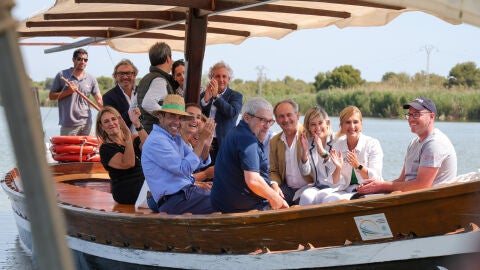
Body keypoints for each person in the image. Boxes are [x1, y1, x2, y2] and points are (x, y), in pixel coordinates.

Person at [357, 96, 457, 194]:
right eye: (409, 115)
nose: (411, 119)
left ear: (431, 117)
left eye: (416, 114)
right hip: (412, 198)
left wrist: (381, 186)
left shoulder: (435, 143)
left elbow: (422, 185)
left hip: (431, 201)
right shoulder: (413, 143)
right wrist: (374, 186)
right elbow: (402, 179)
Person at [211, 97, 289, 213]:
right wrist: (274, 198)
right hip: (242, 210)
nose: (267, 126)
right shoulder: (247, 139)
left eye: (270, 121)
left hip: (224, 205)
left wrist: (272, 188)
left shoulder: (236, 132)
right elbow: (253, 180)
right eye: (263, 120)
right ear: (247, 117)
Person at [141, 94, 215, 214]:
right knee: (226, 200)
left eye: (180, 118)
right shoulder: (157, 140)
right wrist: (201, 140)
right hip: (175, 200)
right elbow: (184, 168)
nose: (177, 121)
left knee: (229, 196)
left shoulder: (175, 138)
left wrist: (206, 143)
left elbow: (199, 162)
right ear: (160, 117)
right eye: (172, 116)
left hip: (183, 196)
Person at [320, 106, 384, 203]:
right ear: (341, 125)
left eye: (355, 122)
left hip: (369, 190)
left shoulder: (373, 144)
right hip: (346, 191)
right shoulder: (337, 145)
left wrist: (357, 166)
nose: (352, 126)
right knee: (327, 200)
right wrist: (338, 168)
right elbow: (334, 183)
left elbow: (375, 177)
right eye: (348, 122)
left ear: (361, 124)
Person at [96, 106, 147, 204]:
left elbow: (150, 148)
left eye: (113, 119)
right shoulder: (106, 149)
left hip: (143, 183)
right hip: (126, 190)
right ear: (102, 126)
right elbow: (129, 163)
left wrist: (137, 124)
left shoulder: (133, 138)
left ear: (119, 121)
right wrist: (127, 136)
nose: (111, 123)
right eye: (106, 122)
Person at [269, 99, 313, 205]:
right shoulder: (274, 141)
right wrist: (274, 187)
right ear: (277, 120)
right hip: (287, 189)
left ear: (297, 116)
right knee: (267, 200)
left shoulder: (310, 135)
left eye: (289, 115)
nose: (286, 119)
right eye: (281, 116)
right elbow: (273, 171)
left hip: (310, 188)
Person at [50, 48, 103, 135]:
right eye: (79, 59)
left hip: (87, 123)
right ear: (73, 59)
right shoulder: (62, 75)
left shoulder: (91, 78)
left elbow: (99, 100)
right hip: (68, 124)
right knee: (68, 149)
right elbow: (51, 96)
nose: (82, 62)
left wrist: (107, 112)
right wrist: (68, 92)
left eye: (85, 60)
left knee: (88, 148)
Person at [200, 61, 243, 165]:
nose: (221, 80)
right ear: (212, 78)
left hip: (224, 143)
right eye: (217, 76)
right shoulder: (204, 94)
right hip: (205, 141)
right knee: (204, 171)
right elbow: (198, 115)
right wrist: (205, 100)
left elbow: (232, 112)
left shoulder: (235, 96)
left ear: (229, 79)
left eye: (224, 76)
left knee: (221, 174)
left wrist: (216, 97)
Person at [298, 106, 343, 206]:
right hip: (318, 186)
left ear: (327, 123)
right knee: (306, 196)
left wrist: (323, 153)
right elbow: (305, 172)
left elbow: (337, 168)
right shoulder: (308, 143)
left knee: (325, 198)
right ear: (308, 127)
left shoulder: (338, 141)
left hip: (336, 186)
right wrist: (304, 152)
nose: (317, 127)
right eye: (313, 124)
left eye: (320, 123)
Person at [136, 42, 179, 133]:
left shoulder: (145, 78)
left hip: (145, 132)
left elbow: (132, 107)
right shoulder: (160, 80)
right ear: (168, 58)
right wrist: (169, 116)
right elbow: (148, 103)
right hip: (157, 133)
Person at [181, 103, 215, 185]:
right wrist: (205, 174)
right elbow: (179, 178)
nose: (198, 135)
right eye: (197, 130)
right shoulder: (177, 143)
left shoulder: (189, 147)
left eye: (203, 133)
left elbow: (200, 162)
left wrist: (207, 144)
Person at [102, 59, 139, 133]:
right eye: (121, 74)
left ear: (134, 75)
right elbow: (113, 123)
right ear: (115, 76)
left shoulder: (142, 92)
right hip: (124, 140)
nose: (125, 77)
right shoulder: (108, 97)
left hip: (146, 138)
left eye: (128, 73)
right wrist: (133, 111)